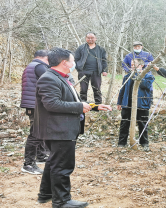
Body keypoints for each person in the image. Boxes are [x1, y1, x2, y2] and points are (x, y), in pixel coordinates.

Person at [34, 48, 112, 208]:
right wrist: (79, 106)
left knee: (53, 162)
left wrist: (94, 106)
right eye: (72, 61)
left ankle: (46, 194)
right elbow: (52, 104)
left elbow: (70, 99)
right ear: (64, 63)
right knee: (62, 165)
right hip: (58, 130)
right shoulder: (48, 78)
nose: (74, 63)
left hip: (60, 128)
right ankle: (62, 201)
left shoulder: (60, 77)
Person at [20, 50, 50, 174]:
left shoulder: (31, 66)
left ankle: (41, 156)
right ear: (45, 57)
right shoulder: (40, 67)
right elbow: (49, 82)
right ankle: (28, 164)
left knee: (40, 130)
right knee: (36, 133)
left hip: (31, 103)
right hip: (35, 104)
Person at [117, 58, 155, 151]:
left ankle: (144, 143)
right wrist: (119, 102)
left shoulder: (148, 76)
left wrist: (138, 75)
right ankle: (122, 143)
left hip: (142, 104)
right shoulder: (127, 77)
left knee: (143, 124)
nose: (132, 66)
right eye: (132, 64)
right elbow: (122, 90)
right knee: (124, 123)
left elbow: (145, 85)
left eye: (135, 64)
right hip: (127, 103)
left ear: (141, 65)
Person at [75, 32, 108, 104]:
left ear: (95, 38)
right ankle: (83, 104)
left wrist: (104, 70)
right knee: (83, 89)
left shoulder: (101, 49)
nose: (90, 39)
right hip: (83, 71)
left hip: (96, 72)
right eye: (88, 38)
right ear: (85, 38)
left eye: (92, 38)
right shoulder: (81, 48)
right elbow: (76, 59)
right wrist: (78, 68)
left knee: (97, 89)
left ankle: (98, 105)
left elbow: (104, 60)